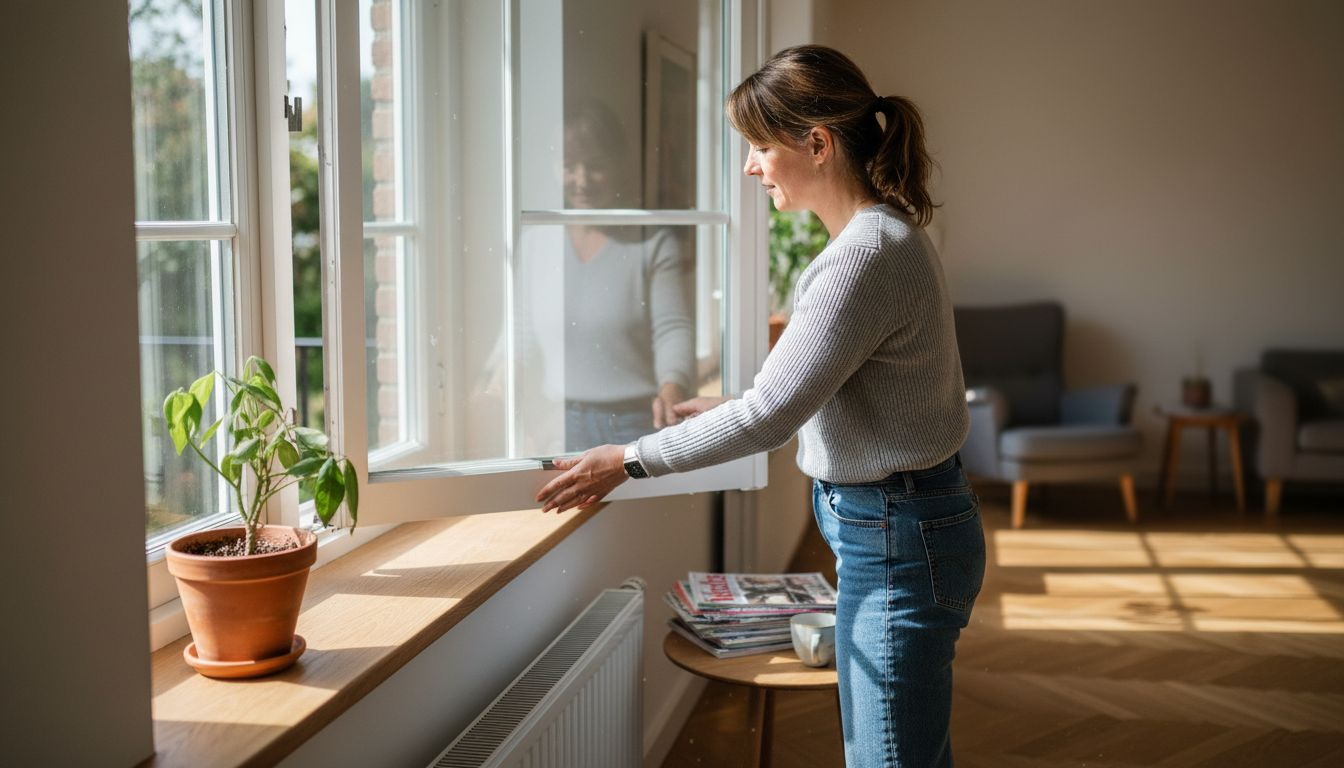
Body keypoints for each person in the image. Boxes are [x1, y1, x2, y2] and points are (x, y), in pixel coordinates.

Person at [537, 45, 984, 767]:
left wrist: (625, 461)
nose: (750, 167)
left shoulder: (864, 254)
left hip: (898, 536)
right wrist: (734, 402)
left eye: (758, 146)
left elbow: (769, 419)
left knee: (890, 758)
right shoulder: (881, 233)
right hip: (901, 526)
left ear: (817, 142)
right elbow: (847, 388)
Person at [513, 101, 695, 453]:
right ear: (554, 168)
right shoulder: (537, 240)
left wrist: (673, 386)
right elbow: (520, 329)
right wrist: (495, 388)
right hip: (557, 420)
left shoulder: (652, 241)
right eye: (569, 166)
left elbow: (672, 328)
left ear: (619, 165)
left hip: (636, 422)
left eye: (595, 166)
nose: (581, 180)